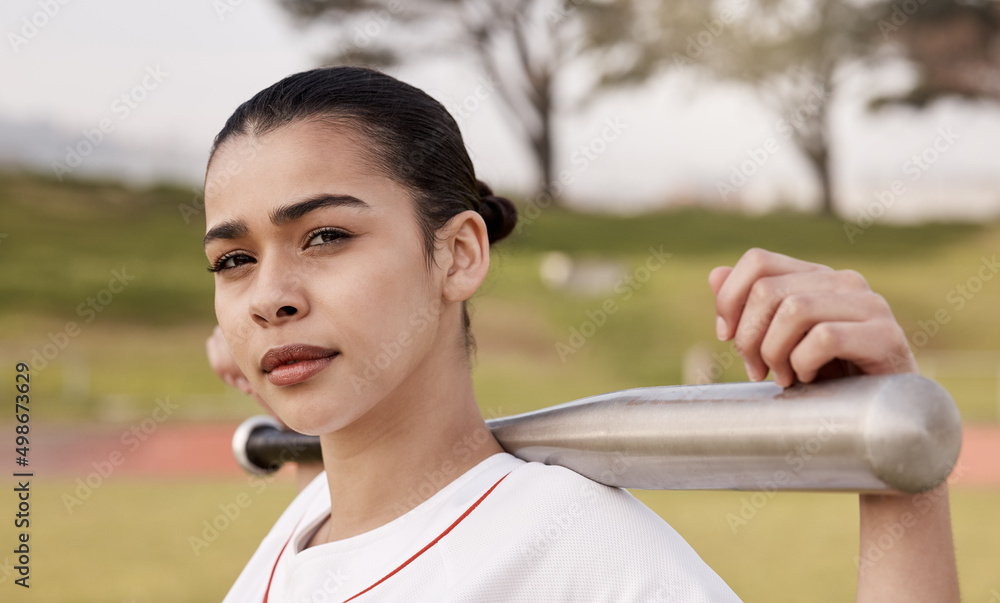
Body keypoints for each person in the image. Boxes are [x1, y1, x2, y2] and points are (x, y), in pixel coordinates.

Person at [202, 66, 959, 602]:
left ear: (459, 253)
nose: (269, 296)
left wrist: (895, 464)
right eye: (234, 260)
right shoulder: (310, 524)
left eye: (327, 236)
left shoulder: (582, 554)